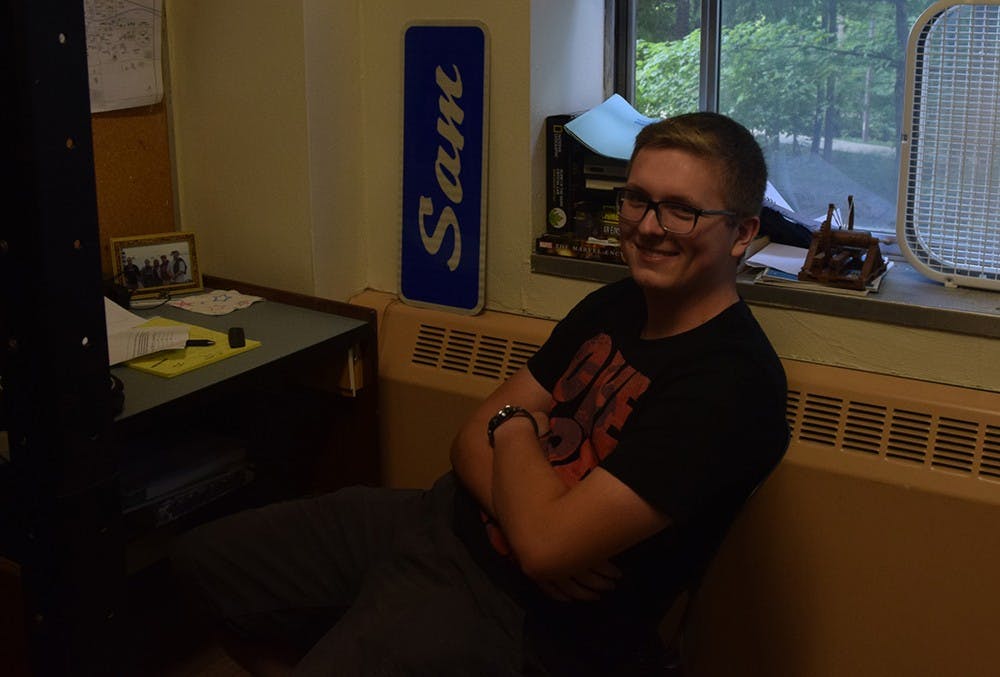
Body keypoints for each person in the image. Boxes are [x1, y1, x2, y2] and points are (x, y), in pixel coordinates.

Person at [171, 112, 789, 676]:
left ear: (742, 233)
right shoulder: (618, 302)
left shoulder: (731, 383)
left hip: (523, 616)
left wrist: (515, 425)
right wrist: (523, 512)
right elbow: (469, 438)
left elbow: (545, 543)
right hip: (439, 521)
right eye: (636, 199)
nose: (649, 228)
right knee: (203, 562)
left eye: (682, 210)